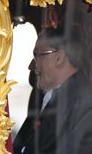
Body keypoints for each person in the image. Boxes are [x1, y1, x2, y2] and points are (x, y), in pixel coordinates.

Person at [12, 25, 92, 154]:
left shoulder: (83, 103)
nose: (31, 66)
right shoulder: (49, 98)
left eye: (37, 55)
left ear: (59, 58)